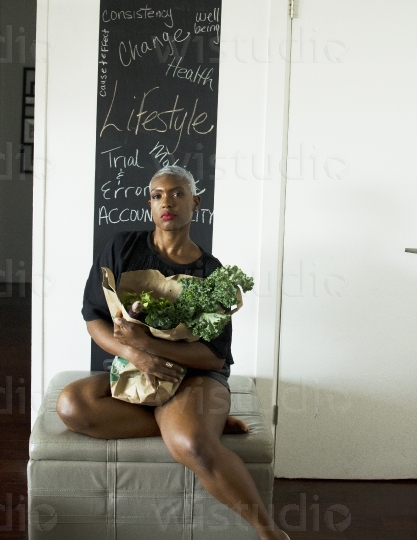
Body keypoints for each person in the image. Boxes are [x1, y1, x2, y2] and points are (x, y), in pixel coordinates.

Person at [56, 165, 290, 540]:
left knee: (192, 444)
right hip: (138, 372)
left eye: (178, 193)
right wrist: (135, 356)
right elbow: (94, 318)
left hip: (196, 378)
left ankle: (271, 533)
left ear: (195, 202)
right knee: (72, 405)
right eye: (158, 195)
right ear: (150, 204)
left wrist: (148, 345)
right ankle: (195, 420)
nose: (168, 202)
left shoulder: (211, 273)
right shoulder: (122, 247)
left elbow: (215, 357)